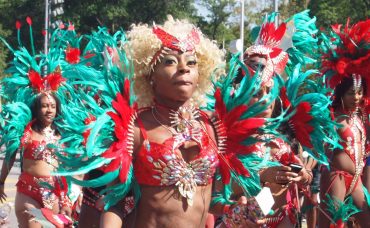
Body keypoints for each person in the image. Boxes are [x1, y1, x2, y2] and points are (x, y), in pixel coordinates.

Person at [318, 19, 370, 227]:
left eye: (359, 93)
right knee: (331, 225)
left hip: (356, 181)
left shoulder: (361, 118)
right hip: (336, 180)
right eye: (351, 93)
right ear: (340, 93)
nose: (356, 97)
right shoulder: (331, 117)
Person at [0, 93, 72, 227]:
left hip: (54, 194)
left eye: (53, 106)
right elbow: (10, 156)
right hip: (28, 192)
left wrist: (67, 198)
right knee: (33, 223)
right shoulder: (26, 131)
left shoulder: (63, 134)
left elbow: (68, 168)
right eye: (44, 106)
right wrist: (1, 181)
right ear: (37, 109)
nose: (49, 110)